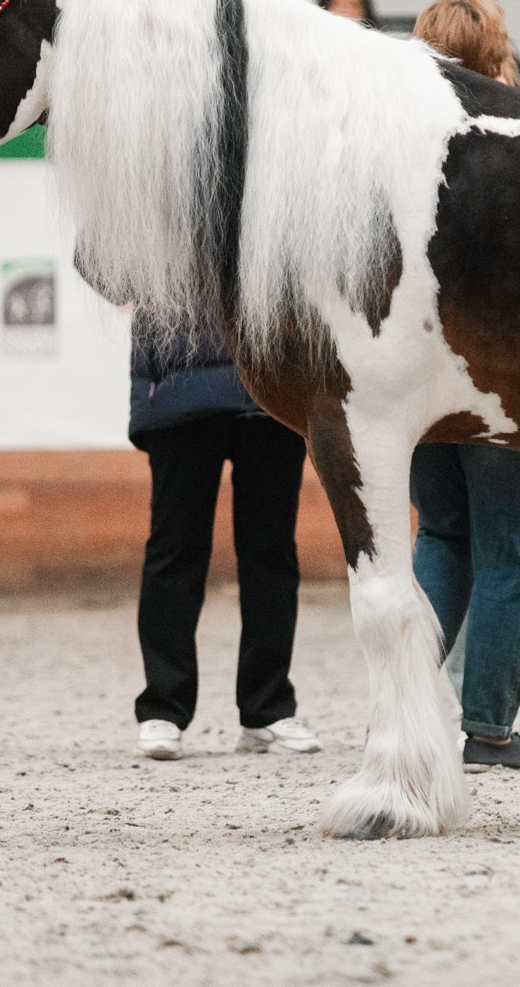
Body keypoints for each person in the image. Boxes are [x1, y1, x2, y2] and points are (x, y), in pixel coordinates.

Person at [404, 0, 520, 773]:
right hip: (512, 375)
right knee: (510, 550)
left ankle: (406, 710)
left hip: (421, 375)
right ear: (496, 56)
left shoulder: (397, 145)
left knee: (441, 535)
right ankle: (491, 730)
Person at [125, 307, 319, 761]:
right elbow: (102, 265)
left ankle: (266, 712)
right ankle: (163, 710)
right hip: (179, 392)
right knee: (175, 551)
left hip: (273, 391)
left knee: (271, 554)